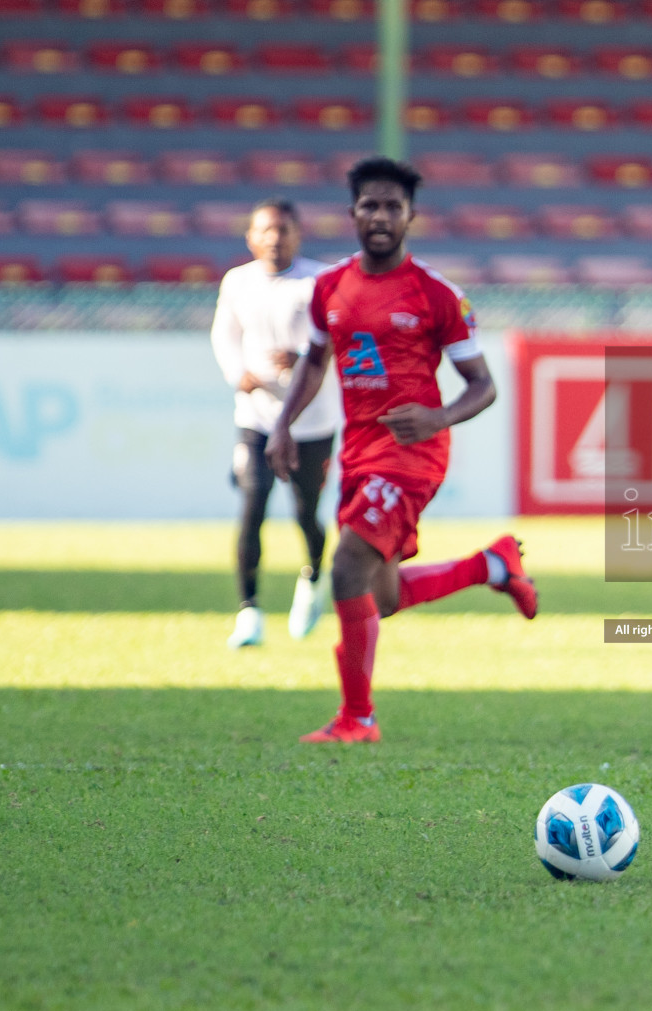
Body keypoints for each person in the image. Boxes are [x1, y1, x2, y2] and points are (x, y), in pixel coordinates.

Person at [267, 156, 538, 744]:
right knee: (378, 597)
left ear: (411, 215)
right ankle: (492, 565)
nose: (381, 216)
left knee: (344, 569)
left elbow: (483, 385)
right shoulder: (329, 289)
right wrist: (283, 425)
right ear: (353, 214)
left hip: (413, 455)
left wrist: (438, 417)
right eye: (371, 205)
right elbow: (315, 361)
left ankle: (357, 719)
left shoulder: (437, 296)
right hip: (359, 452)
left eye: (393, 206)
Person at [210, 198, 340, 648]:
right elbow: (224, 335)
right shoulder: (238, 282)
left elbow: (341, 338)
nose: (274, 238)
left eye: (283, 230)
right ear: (251, 237)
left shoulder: (319, 281)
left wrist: (306, 358)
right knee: (253, 503)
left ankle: (313, 576)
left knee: (306, 512)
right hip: (258, 416)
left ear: (297, 235)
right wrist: (236, 373)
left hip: (311, 421)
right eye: (266, 230)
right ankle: (249, 612)